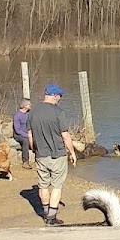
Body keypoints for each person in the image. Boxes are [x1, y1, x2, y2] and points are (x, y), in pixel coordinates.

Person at [27, 83, 77, 224]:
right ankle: (51, 217)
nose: (60, 98)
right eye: (60, 96)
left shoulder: (32, 111)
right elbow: (65, 135)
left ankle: (45, 212)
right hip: (57, 154)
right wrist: (72, 152)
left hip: (41, 154)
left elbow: (29, 134)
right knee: (57, 186)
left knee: (43, 185)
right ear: (54, 96)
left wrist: (33, 149)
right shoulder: (58, 112)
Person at [12, 98, 34, 169]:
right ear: (24, 106)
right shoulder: (17, 115)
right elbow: (17, 130)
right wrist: (27, 135)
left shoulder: (29, 113)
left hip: (29, 132)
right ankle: (25, 162)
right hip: (19, 135)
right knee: (25, 141)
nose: (30, 105)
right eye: (29, 104)